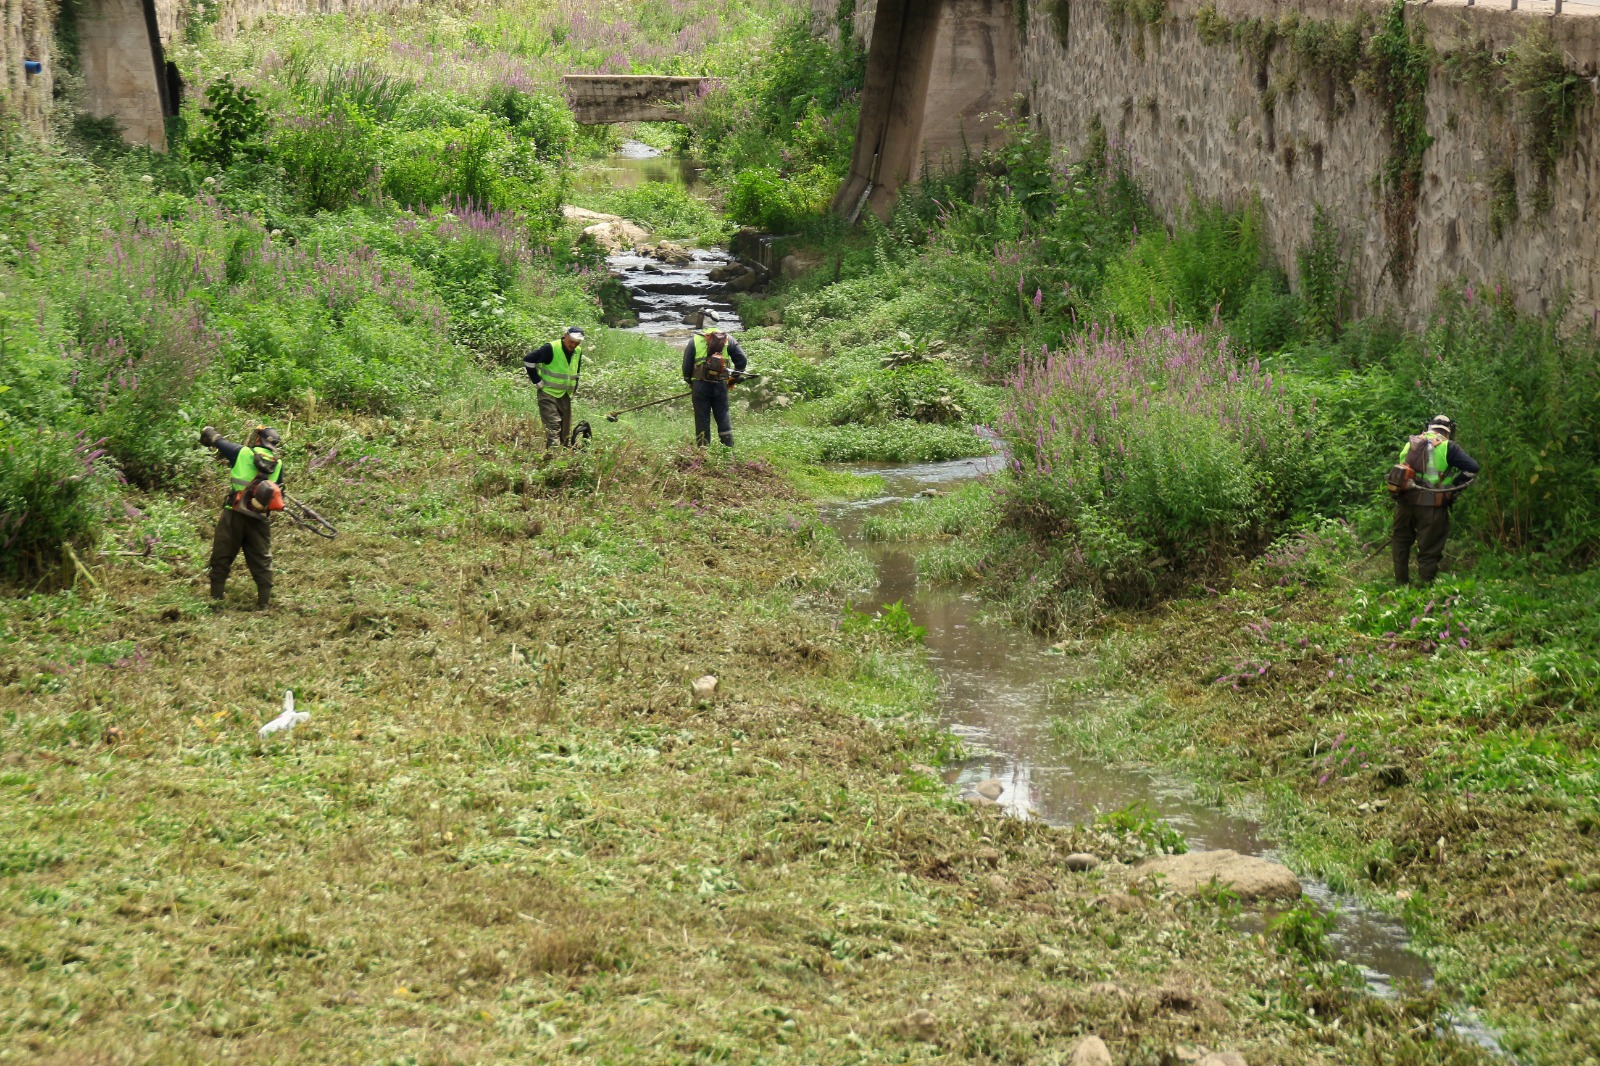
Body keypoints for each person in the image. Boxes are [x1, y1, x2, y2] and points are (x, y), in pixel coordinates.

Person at [200, 424, 284, 609]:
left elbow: (218, 442)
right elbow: (280, 493)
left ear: (257, 439)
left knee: (222, 555)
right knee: (262, 560)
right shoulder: (277, 464)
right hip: (259, 518)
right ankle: (263, 604)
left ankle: (216, 599)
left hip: (235, 513)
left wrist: (208, 431)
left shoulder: (243, 453)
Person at [1391, 414, 1479, 586]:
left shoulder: (1411, 443)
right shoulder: (1448, 447)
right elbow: (1473, 468)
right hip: (1432, 507)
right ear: (1449, 431)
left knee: (1401, 540)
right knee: (1429, 548)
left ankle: (1401, 584)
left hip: (1405, 503)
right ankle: (1425, 587)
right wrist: (1454, 487)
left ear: (1429, 427)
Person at [681, 326, 747, 448]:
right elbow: (742, 360)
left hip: (700, 385)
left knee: (702, 419)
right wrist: (733, 379)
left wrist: (689, 381)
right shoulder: (729, 339)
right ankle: (728, 449)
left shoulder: (694, 340)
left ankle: (703, 452)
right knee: (723, 416)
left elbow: (686, 365)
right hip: (721, 385)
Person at [523, 327, 585, 449]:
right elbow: (528, 360)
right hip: (548, 393)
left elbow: (576, 371)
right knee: (553, 425)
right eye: (571, 341)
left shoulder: (578, 350)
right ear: (565, 336)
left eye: (577, 342)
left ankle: (562, 454)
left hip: (565, 394)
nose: (573, 344)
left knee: (565, 430)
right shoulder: (550, 348)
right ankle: (553, 455)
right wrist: (537, 380)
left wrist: (574, 388)